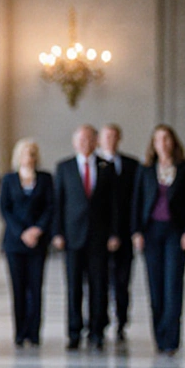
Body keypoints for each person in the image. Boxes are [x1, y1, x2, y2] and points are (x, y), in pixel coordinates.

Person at [132, 124, 185, 355]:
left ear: (173, 141)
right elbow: (137, 202)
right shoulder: (146, 170)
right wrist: (136, 232)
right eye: (158, 139)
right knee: (155, 285)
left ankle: (172, 339)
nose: (163, 143)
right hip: (151, 232)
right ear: (153, 144)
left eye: (167, 138)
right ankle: (159, 337)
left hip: (175, 233)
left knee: (173, 285)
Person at [52, 125, 120, 351]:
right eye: (81, 140)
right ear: (74, 143)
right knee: (73, 287)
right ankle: (73, 332)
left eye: (89, 139)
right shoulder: (64, 167)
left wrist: (114, 233)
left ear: (95, 142)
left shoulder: (107, 167)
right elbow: (58, 203)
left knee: (99, 286)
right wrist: (57, 232)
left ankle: (96, 331)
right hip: (72, 237)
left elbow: (114, 204)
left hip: (99, 237)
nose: (85, 143)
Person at [0, 139, 54, 347]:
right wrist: (22, 232)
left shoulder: (46, 179)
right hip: (15, 242)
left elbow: (50, 206)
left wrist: (37, 230)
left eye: (32, 153)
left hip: (38, 242)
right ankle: (20, 332)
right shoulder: (9, 179)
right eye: (24, 153)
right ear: (18, 157)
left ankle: (34, 332)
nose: (28, 157)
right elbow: (4, 209)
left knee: (36, 288)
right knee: (18, 288)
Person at [97, 123, 140, 342]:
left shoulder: (133, 165)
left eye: (114, 136)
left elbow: (137, 201)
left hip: (124, 232)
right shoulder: (94, 165)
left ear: (119, 138)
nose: (110, 140)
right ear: (100, 140)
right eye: (106, 136)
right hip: (99, 236)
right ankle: (100, 321)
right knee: (100, 281)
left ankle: (122, 321)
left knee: (123, 281)